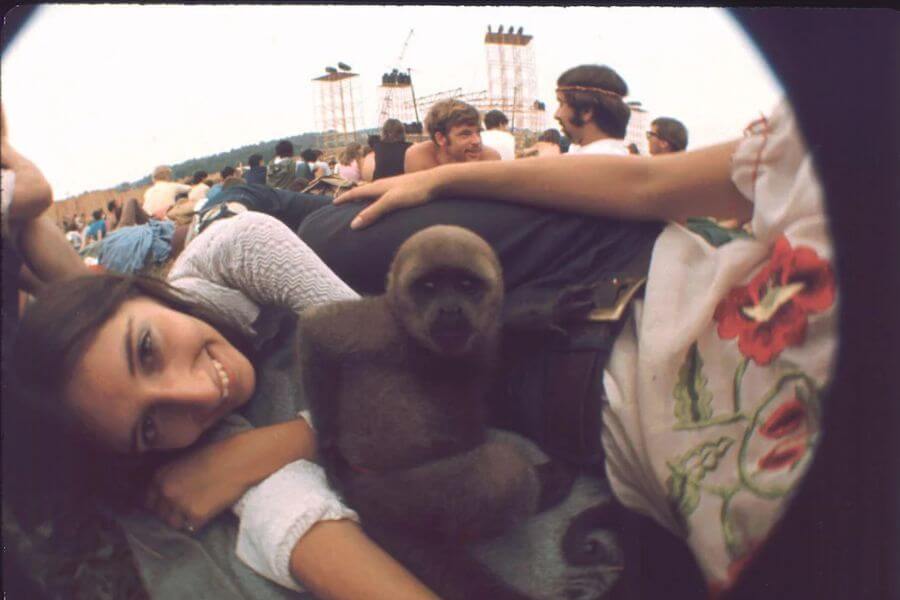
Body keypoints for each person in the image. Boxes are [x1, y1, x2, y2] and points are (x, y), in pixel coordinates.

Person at [335, 98, 837, 595]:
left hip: (594, 385)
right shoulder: (857, 127)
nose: (554, 118)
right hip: (627, 263)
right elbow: (651, 185)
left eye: (562, 109)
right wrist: (437, 180)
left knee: (353, 251)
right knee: (340, 231)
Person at [404, 99, 501, 174]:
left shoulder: (489, 159)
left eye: (478, 132)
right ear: (441, 138)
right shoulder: (421, 157)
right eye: (465, 134)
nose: (477, 141)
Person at [555, 64, 631, 156]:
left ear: (586, 111)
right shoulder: (622, 156)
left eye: (562, 104)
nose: (556, 115)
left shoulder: (582, 164)